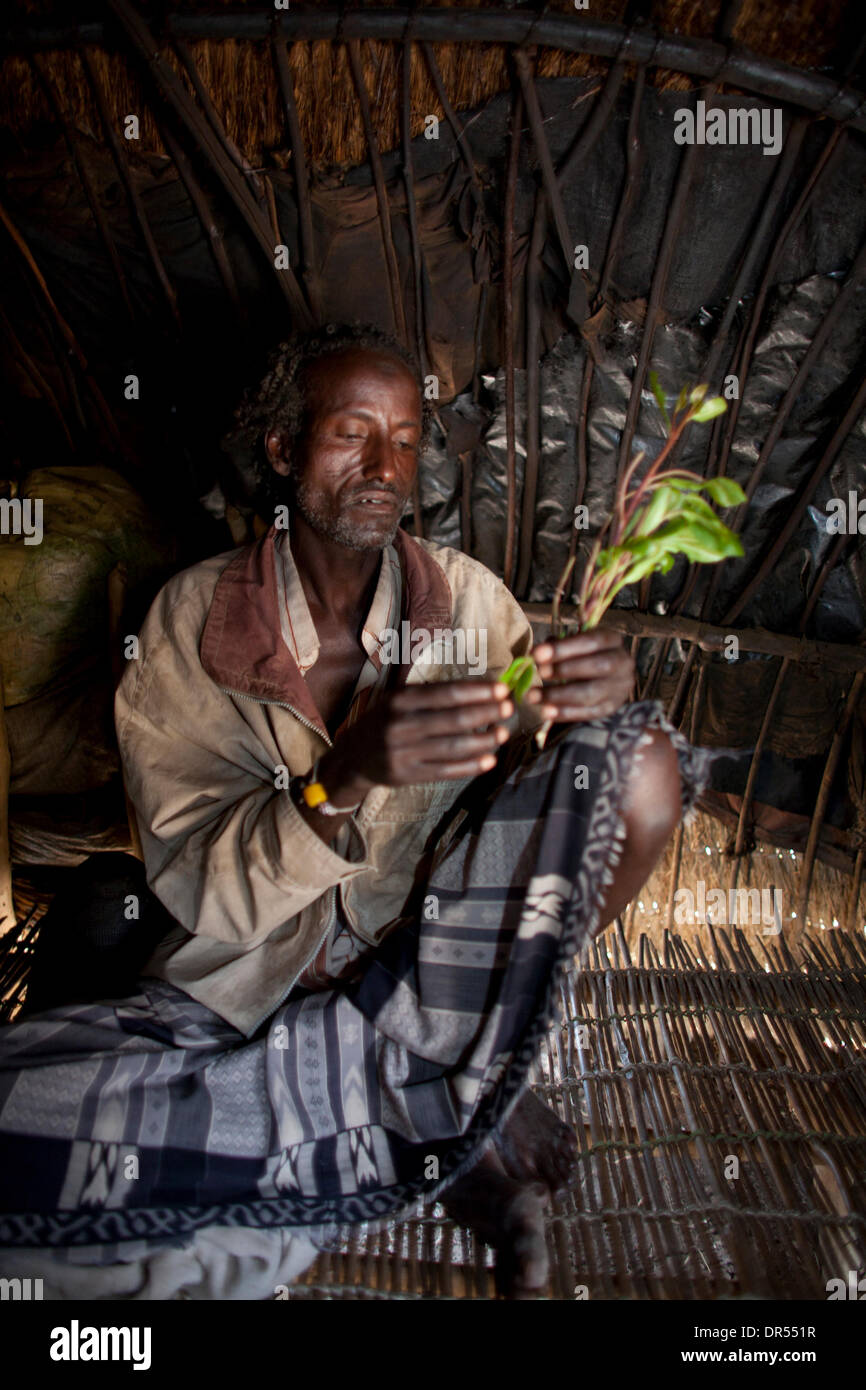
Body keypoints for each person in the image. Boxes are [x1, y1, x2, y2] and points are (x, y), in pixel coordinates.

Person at [0, 324, 708, 1298]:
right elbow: (210, 893)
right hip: (242, 994)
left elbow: (515, 806)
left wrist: (575, 711)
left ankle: (456, 1077)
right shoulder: (190, 624)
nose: (384, 464)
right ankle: (437, 1126)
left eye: (406, 438)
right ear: (284, 450)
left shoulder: (467, 605)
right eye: (351, 433)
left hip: (420, 985)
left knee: (636, 761)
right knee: (23, 1132)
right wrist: (344, 778)